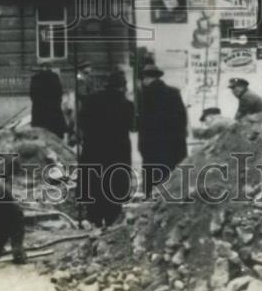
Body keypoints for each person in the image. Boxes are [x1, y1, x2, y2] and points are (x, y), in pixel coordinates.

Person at [80, 69, 135, 227]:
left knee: (94, 184)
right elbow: (132, 126)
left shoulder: (91, 100)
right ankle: (112, 221)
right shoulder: (127, 105)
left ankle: (94, 219)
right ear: (123, 86)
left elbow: (82, 123)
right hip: (117, 153)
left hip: (94, 151)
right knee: (114, 187)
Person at [138, 63, 187, 198]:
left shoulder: (145, 94)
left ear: (146, 78)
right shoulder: (174, 92)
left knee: (152, 177)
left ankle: (150, 199)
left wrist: (141, 146)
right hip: (173, 144)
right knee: (169, 176)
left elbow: (143, 122)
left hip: (152, 144)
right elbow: (182, 118)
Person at [29, 63, 66, 138]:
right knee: (56, 133)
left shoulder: (35, 78)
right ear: (49, 67)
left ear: (41, 67)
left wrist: (36, 103)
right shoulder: (55, 77)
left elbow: (32, 94)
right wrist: (57, 103)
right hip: (53, 110)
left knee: (40, 134)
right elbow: (59, 92)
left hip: (39, 111)